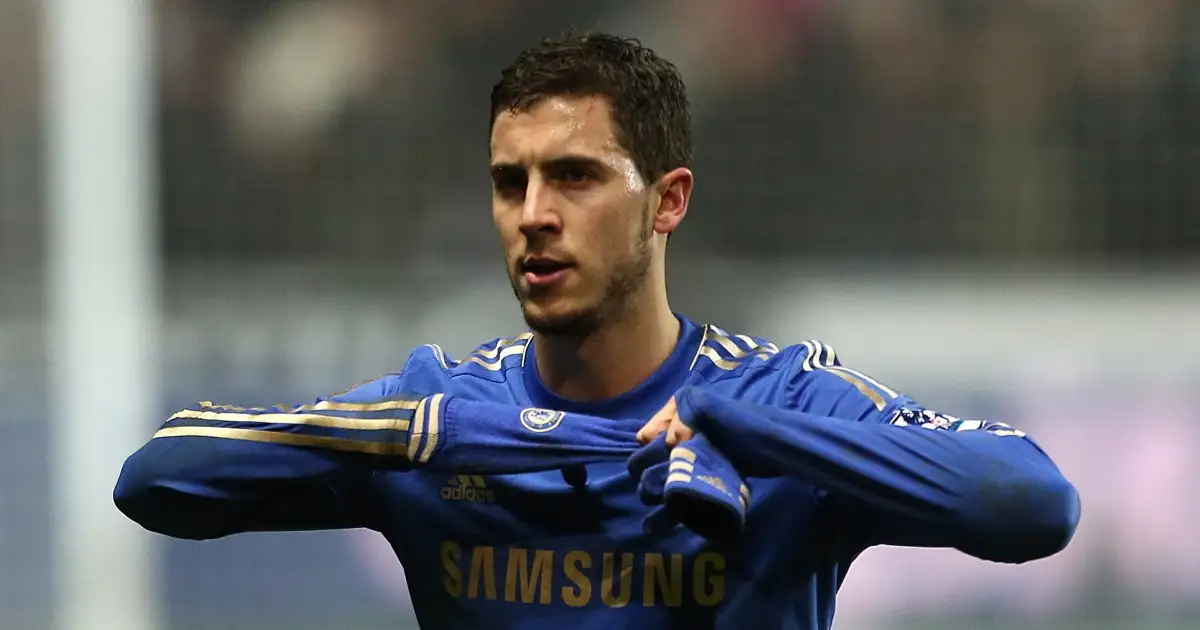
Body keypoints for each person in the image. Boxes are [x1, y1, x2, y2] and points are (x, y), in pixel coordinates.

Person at [114, 32, 1081, 629]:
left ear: (668, 203)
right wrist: (440, 435)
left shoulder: (778, 398)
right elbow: (156, 478)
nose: (533, 212)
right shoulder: (444, 411)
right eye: (509, 183)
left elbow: (1038, 502)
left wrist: (748, 437)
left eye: (574, 176)